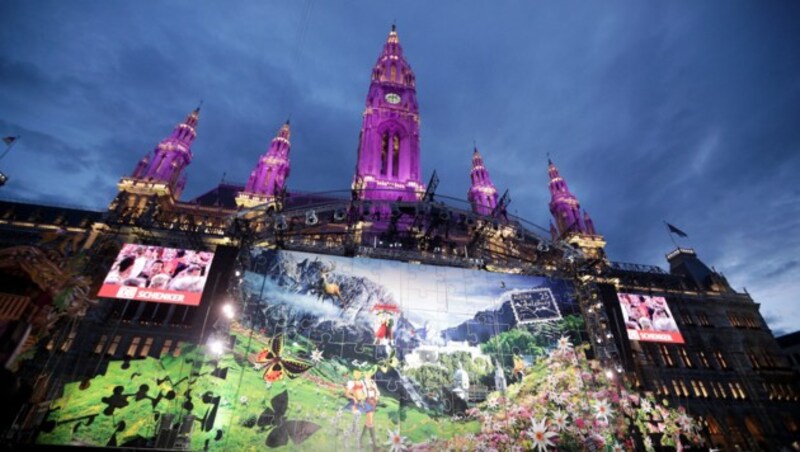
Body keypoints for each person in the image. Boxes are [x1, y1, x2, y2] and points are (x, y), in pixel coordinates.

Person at [343, 370, 380, 449]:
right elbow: (356, 391)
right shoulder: (362, 382)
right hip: (367, 401)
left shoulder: (372, 382)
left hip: (373, 402)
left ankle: (361, 441)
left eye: (370, 374)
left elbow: (377, 391)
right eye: (368, 373)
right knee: (370, 421)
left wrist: (376, 397)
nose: (369, 375)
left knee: (368, 422)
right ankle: (374, 446)